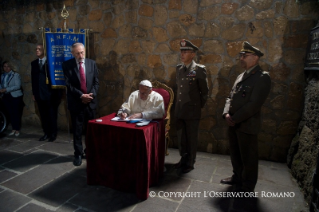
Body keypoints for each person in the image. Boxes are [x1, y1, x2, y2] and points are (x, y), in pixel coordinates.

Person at [220, 41, 271, 192]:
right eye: (241, 55)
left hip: (247, 124)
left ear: (255, 57)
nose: (241, 58)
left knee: (248, 157)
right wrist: (226, 113)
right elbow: (230, 97)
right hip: (233, 122)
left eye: (244, 55)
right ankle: (237, 177)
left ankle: (248, 186)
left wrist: (234, 119)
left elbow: (254, 104)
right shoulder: (241, 75)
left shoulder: (262, 77)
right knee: (235, 153)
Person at [174, 39, 209, 173]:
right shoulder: (179, 68)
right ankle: (183, 158)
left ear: (193, 54)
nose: (182, 54)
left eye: (186, 51)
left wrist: (196, 107)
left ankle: (190, 161)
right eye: (181, 51)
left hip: (192, 110)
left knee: (191, 137)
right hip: (180, 109)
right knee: (181, 137)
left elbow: (204, 92)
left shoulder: (199, 70)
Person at [62, 42, 99, 166]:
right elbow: (69, 84)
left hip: (90, 103)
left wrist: (90, 95)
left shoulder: (91, 63)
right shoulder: (67, 65)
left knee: (90, 131)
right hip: (76, 103)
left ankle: (90, 151)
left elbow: (96, 83)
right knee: (77, 131)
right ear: (72, 53)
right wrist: (81, 96)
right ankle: (78, 154)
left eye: (82, 52)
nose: (80, 55)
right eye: (77, 53)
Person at [31, 44, 62, 142]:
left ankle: (53, 134)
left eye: (39, 49)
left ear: (44, 50)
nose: (37, 50)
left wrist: (58, 94)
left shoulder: (51, 62)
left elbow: (57, 78)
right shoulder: (34, 63)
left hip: (50, 95)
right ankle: (46, 133)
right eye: (36, 49)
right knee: (43, 116)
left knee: (52, 115)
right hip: (39, 94)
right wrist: (34, 93)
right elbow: (33, 80)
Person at [0, 61, 24, 136]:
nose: (6, 68)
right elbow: (1, 84)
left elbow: (17, 86)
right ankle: (13, 129)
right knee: (10, 113)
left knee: (16, 113)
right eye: (5, 66)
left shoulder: (15, 75)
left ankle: (17, 129)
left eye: (8, 66)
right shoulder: (2, 76)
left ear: (11, 67)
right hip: (6, 96)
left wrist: (6, 89)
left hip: (15, 96)